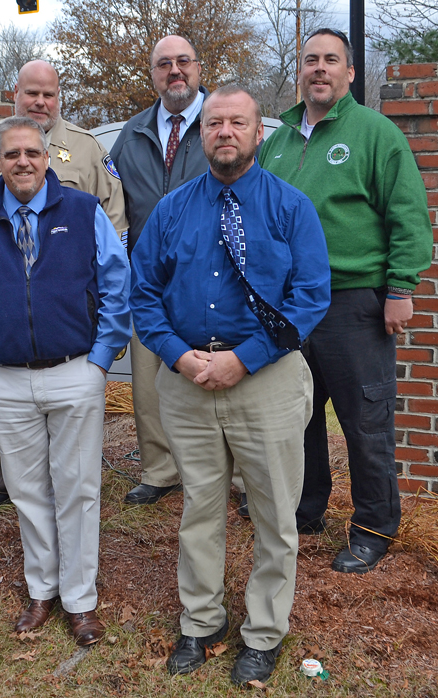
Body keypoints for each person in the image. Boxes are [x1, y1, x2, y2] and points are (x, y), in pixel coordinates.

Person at [131, 86, 331, 685]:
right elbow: (143, 293)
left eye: (236, 122)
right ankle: (202, 623)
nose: (224, 132)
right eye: (214, 122)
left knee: (274, 515)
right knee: (200, 510)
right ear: (201, 134)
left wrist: (243, 359)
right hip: (188, 382)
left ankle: (264, 633)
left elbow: (310, 297)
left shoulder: (290, 208)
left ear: (257, 132)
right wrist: (179, 358)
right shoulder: (172, 210)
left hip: (264, 381)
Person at [0, 116, 131, 645]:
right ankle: (42, 590)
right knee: (26, 490)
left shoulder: (84, 211)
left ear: (47, 159)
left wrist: (101, 360)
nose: (23, 162)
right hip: (3, 379)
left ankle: (81, 600)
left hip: (75, 373)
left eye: (32, 153)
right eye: (12, 154)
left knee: (80, 489)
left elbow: (117, 284)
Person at [259, 29, 433, 573]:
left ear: (350, 73)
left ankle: (373, 526)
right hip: (291, 305)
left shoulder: (375, 134)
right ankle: (307, 508)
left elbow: (408, 216)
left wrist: (400, 289)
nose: (319, 69)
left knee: (365, 421)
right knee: (297, 416)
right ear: (299, 72)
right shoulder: (277, 141)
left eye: (331, 60)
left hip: (355, 302)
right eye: (310, 60)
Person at [0, 59, 129, 515]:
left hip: (69, 320)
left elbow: (112, 224)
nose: (40, 102)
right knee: (9, 410)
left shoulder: (86, 148)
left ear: (59, 97)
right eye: (31, 93)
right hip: (3, 322)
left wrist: (104, 316)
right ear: (15, 93)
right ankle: (3, 483)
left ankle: (73, 490)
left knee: (74, 439)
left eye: (48, 94)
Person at [110, 35, 212, 506]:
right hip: (149, 282)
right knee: (149, 382)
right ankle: (160, 469)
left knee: (218, 374)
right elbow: (115, 211)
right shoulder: (130, 136)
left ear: (198, 68)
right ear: (153, 74)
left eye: (183, 62)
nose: (175, 71)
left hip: (215, 279)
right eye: (164, 64)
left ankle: (232, 477)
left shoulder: (222, 123)